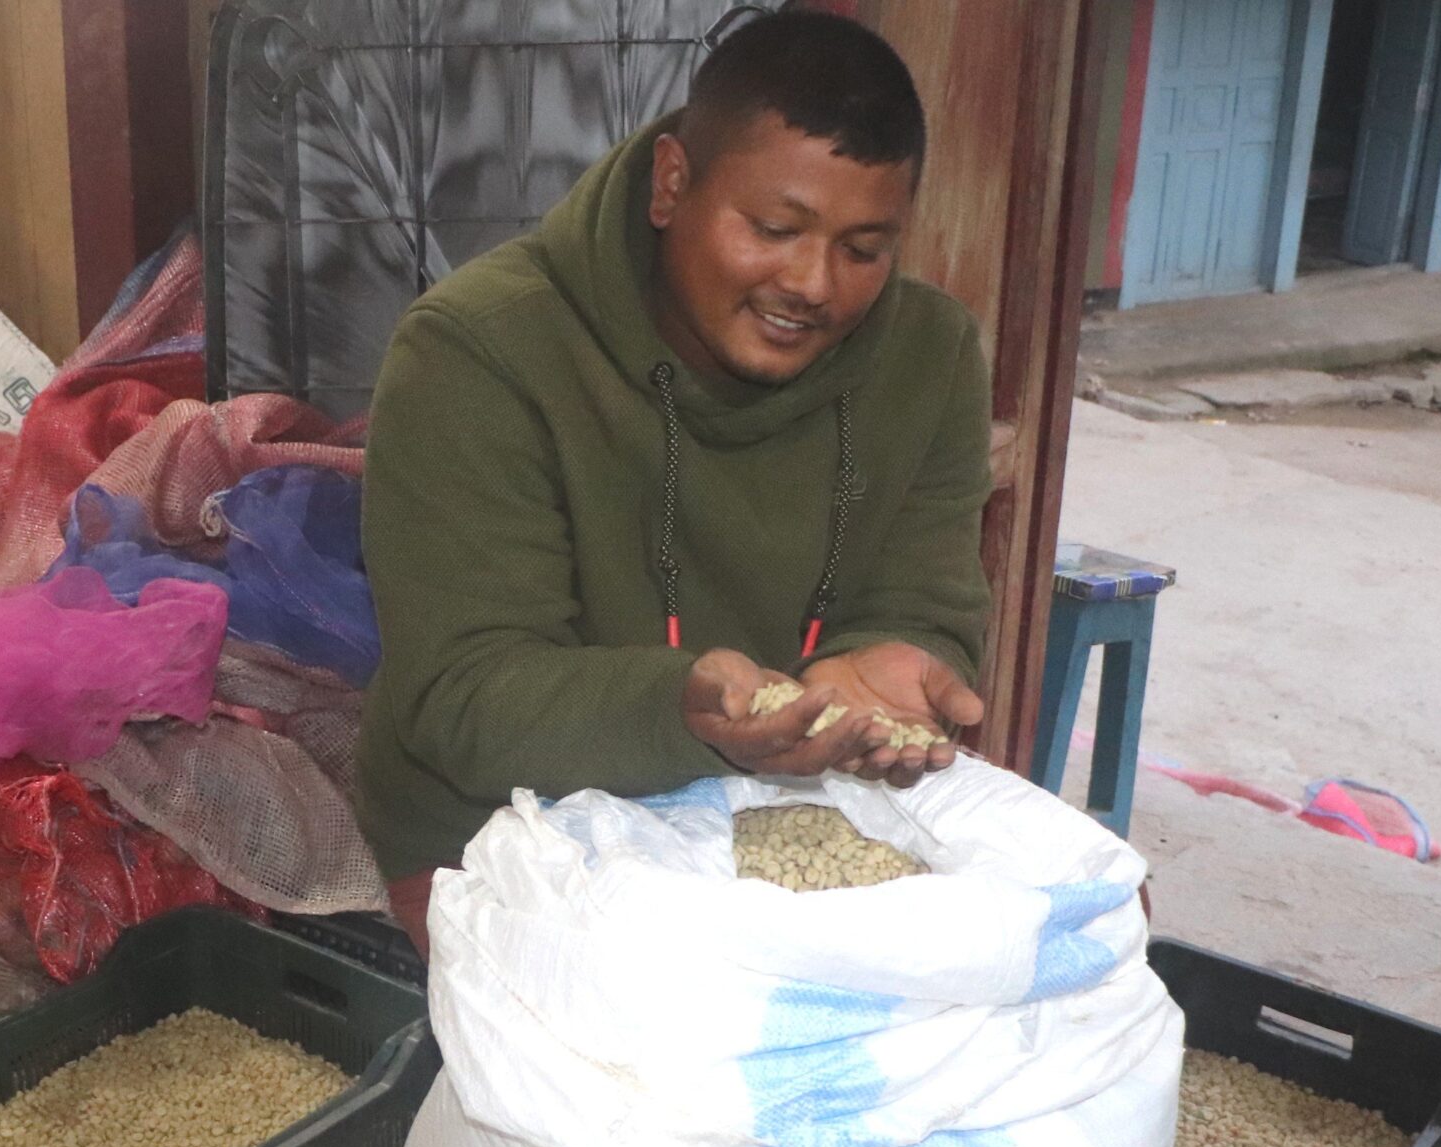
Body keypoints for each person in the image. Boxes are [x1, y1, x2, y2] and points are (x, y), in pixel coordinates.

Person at [358, 9, 994, 956]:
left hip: (780, 813)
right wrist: (681, 708)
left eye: (863, 250)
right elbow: (464, 693)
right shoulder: (478, 350)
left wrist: (897, 654)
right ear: (671, 184)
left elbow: (925, 598)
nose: (813, 284)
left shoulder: (930, 357)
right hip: (490, 830)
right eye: (775, 229)